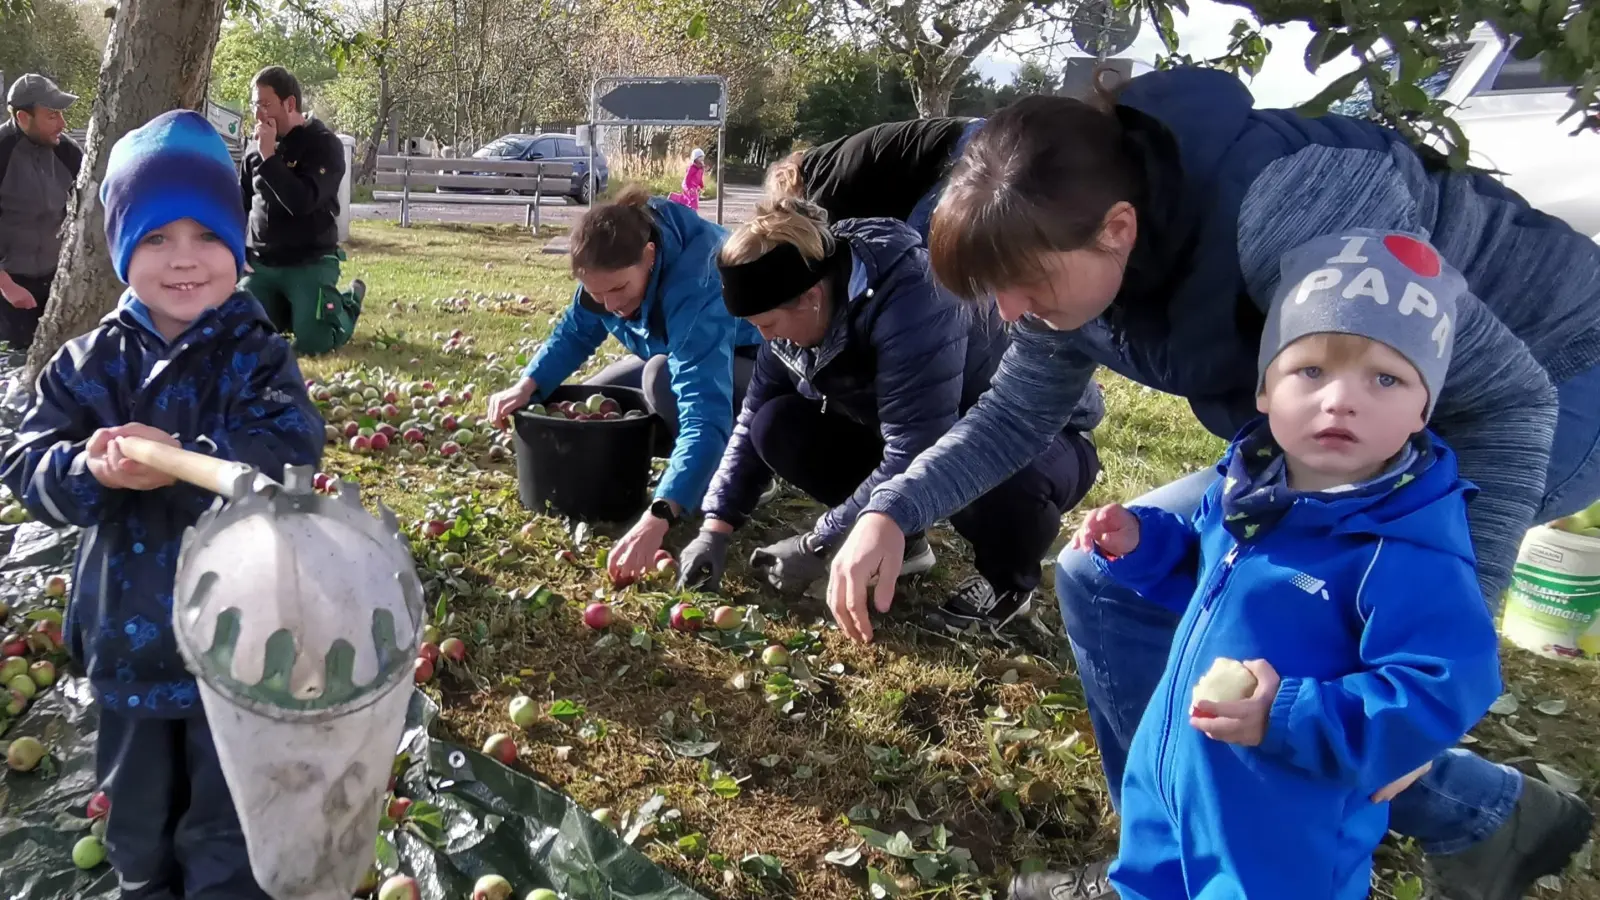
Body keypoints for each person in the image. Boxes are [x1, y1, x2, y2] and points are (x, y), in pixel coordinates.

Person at [824, 71, 1600, 900]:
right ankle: (1162, 867)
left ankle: (1325, 851)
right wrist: (894, 509)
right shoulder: (1068, 263)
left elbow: (1509, 403)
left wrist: (1439, 669)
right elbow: (1014, 416)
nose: (1009, 312)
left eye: (1025, 287)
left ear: (1120, 228)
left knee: (1303, 630)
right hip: (1330, 410)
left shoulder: (1295, 212)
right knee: (1104, 578)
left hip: (1543, 380)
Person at [1073, 230, 1501, 899]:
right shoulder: (1249, 492)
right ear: (1266, 390)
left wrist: (1292, 713)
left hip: (1280, 837)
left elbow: (1443, 686)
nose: (1340, 399)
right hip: (1177, 789)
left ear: (1423, 410)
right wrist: (1143, 545)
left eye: (1385, 378)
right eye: (1311, 371)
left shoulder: (1403, 550)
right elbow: (1212, 581)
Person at [0, 109, 324, 898]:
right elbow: (23, 461)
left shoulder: (257, 352)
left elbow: (293, 449)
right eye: (154, 239)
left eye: (207, 236)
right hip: (129, 638)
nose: (184, 261)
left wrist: (192, 462)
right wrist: (91, 469)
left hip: (241, 648)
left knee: (228, 821)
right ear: (120, 251)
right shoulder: (89, 363)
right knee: (137, 826)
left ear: (236, 245)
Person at [679, 198, 1102, 629]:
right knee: (776, 425)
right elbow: (751, 418)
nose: (763, 337)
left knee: (999, 474)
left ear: (809, 298)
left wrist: (817, 543)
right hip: (922, 431)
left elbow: (921, 445)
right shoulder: (798, 298)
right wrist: (716, 526)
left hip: (1037, 435)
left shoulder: (914, 297)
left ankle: (1008, 582)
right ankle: (907, 542)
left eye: (766, 324)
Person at [486, 185, 763, 585]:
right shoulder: (612, 266)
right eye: (598, 294)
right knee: (600, 403)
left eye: (618, 289)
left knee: (660, 380)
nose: (611, 304)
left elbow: (705, 411)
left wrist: (659, 516)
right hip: (674, 356)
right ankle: (681, 475)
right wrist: (528, 385)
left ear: (650, 257)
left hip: (754, 373)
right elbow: (577, 331)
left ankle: (737, 472)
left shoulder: (698, 283)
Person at [238, 65, 364, 356]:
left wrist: (269, 157)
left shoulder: (323, 145)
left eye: (266, 105)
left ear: (290, 103)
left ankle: (347, 303)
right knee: (240, 335)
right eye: (255, 106)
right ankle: (285, 311)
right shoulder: (256, 147)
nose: (259, 115)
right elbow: (241, 202)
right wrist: (238, 251)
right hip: (263, 264)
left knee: (313, 342)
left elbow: (303, 201)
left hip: (310, 261)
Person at [765, 116, 983, 239]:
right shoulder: (831, 159)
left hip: (957, 149)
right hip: (977, 133)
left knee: (917, 259)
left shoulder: (826, 191)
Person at [0, 74, 82, 350]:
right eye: (52, 115)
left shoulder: (69, 154)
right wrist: (7, 286)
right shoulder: (2, 152)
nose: (63, 124)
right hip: (6, 287)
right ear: (23, 118)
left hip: (55, 284)